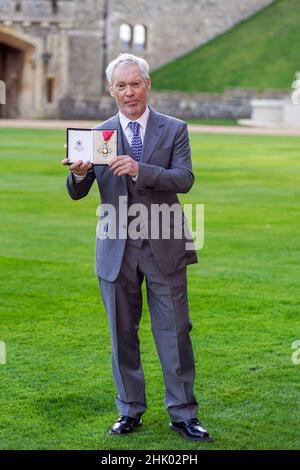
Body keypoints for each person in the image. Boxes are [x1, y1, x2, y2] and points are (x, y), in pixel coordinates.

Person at [61, 53, 212, 442]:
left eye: (136, 83)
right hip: (116, 249)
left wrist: (140, 170)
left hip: (164, 244)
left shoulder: (174, 128)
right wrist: (79, 175)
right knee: (121, 333)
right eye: (121, 85)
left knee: (175, 332)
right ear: (111, 90)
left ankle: (183, 414)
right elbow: (79, 193)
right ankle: (129, 410)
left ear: (148, 85)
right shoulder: (100, 135)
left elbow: (185, 178)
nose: (129, 92)